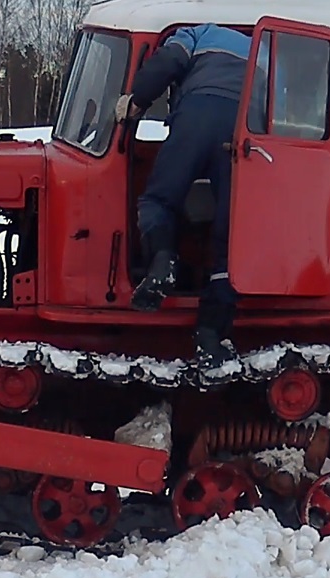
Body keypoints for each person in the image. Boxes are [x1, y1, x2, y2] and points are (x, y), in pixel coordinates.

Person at [114, 23, 250, 371]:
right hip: (245, 129)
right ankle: (211, 333)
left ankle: (163, 262)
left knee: (158, 200)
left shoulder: (196, 33)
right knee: (231, 237)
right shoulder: (263, 47)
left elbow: (167, 63)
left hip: (196, 116)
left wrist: (137, 100)